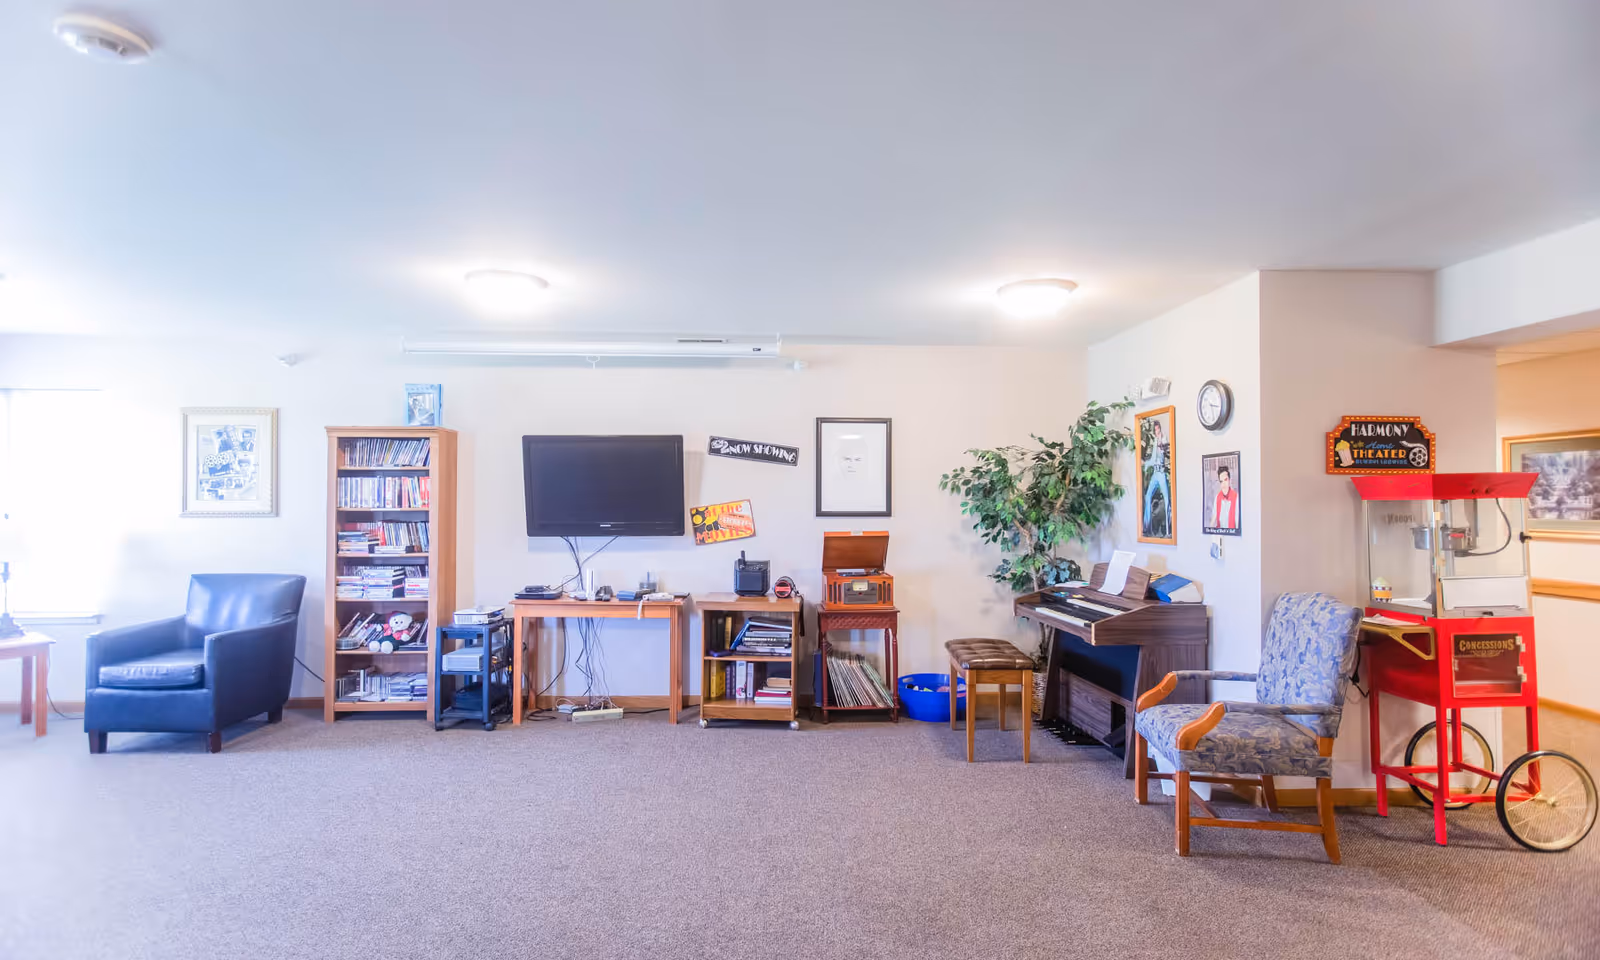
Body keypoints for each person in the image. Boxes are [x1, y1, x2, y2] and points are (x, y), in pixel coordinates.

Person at [1141, 420, 1170, 537]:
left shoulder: (1164, 439)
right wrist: (1146, 464)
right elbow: (1153, 459)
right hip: (1155, 473)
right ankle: (1147, 528)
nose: (1157, 431)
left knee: (1167, 500)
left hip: (1162, 473)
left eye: (1158, 429)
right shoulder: (1154, 441)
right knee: (1147, 496)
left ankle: (1168, 531)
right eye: (1155, 430)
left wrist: (1162, 447)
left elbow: (1166, 453)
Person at [1210, 463, 1238, 532]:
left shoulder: (1236, 498)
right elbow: (1213, 520)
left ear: (1230, 480)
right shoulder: (1217, 497)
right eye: (1221, 481)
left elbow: (1237, 525)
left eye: (1225, 480)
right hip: (1220, 537)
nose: (1223, 484)